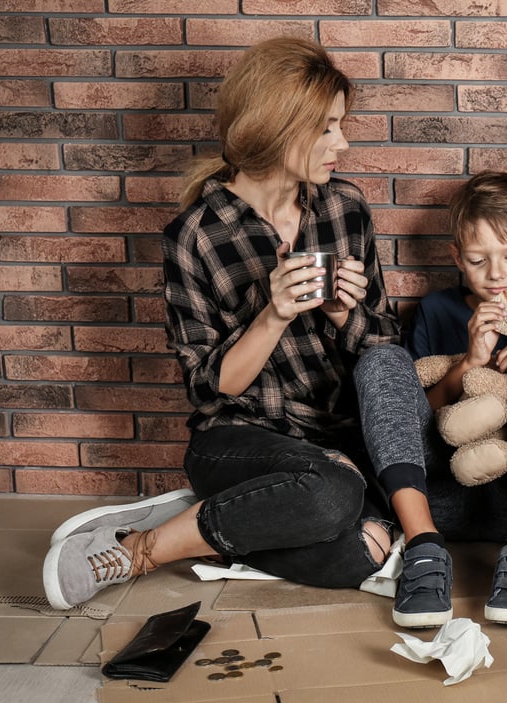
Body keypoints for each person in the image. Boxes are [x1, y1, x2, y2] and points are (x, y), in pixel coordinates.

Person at [42, 37, 399, 611]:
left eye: (341, 124)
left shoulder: (345, 210)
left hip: (337, 438)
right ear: (277, 127)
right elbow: (210, 389)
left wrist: (345, 315)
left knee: (368, 547)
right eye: (327, 128)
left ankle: (212, 515)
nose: (343, 143)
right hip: (241, 437)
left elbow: (387, 356)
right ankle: (145, 546)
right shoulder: (196, 237)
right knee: (336, 502)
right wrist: (274, 314)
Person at [354, 171, 507, 628]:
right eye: (476, 259)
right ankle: (423, 547)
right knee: (381, 361)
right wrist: (468, 363)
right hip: (439, 492)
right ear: (456, 258)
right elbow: (407, 417)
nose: (496, 275)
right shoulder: (435, 310)